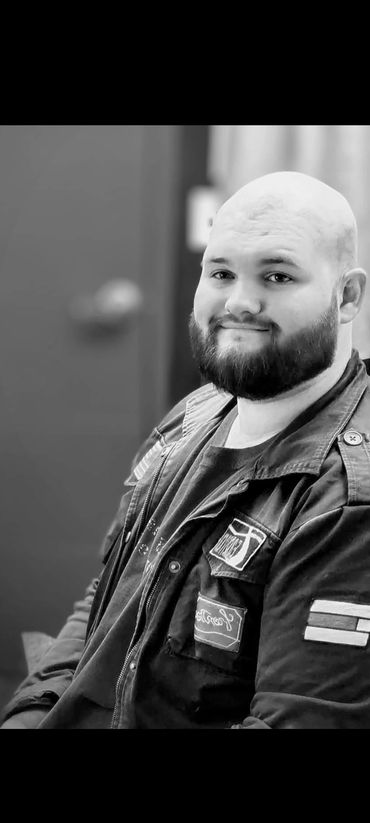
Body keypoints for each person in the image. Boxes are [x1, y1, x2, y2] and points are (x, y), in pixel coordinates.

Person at [2, 169, 370, 730]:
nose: (241, 302)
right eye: (221, 272)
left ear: (346, 297)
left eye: (277, 275)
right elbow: (108, 604)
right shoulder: (197, 412)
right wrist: (31, 713)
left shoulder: (345, 498)